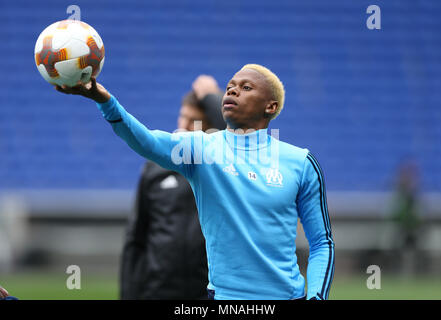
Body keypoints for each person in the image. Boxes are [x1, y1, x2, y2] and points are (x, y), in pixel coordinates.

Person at [56, 64, 335, 300]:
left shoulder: (300, 162)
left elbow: (322, 242)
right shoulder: (201, 150)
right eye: (230, 86)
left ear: (270, 106)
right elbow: (148, 141)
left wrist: (317, 297)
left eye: (246, 87)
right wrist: (104, 100)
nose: (233, 90)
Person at [120, 75, 226, 299]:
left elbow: (236, 134)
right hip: (158, 291)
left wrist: (211, 98)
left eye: (194, 121)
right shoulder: (155, 168)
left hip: (206, 293)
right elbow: (136, 239)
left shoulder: (223, 169)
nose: (184, 126)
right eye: (183, 117)